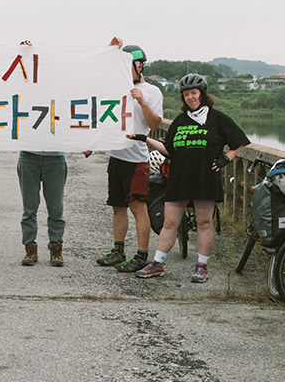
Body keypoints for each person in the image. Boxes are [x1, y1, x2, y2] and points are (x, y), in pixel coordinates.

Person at [134, 72, 250, 283]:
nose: (190, 97)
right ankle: (157, 263)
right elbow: (169, 150)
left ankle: (202, 267)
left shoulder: (217, 118)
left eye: (194, 93)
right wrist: (145, 139)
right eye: (186, 94)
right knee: (170, 223)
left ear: (202, 94)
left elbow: (239, 141)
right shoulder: (180, 120)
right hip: (179, 179)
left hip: (205, 179)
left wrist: (226, 158)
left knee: (204, 223)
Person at [91, 38, 163, 273]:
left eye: (128, 65)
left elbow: (153, 125)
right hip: (116, 156)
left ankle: (142, 255)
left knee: (137, 207)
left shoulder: (152, 91)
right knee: (117, 206)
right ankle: (118, 250)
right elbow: (105, 119)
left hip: (136, 158)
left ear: (139, 66)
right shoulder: (115, 89)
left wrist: (142, 102)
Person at [16, 41, 67, 267]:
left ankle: (56, 247)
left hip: (55, 157)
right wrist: (23, 52)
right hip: (29, 155)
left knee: (55, 207)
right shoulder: (26, 88)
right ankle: (30, 247)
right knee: (29, 208)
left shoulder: (62, 92)